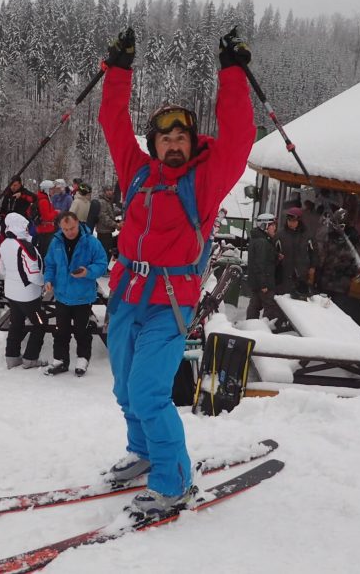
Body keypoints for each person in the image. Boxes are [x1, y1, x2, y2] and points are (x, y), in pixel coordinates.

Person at [98, 26, 256, 519]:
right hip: (127, 293)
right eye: (165, 137)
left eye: (181, 136)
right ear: (154, 143)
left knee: (148, 390)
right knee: (125, 389)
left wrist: (231, 73)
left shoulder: (204, 183)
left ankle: (174, 481)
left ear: (192, 143)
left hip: (170, 300)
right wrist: (119, 71)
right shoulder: (138, 172)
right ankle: (144, 450)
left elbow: (239, 136)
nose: (173, 144)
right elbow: (112, 122)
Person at [43, 212, 108, 376]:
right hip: (62, 296)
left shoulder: (91, 242)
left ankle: (83, 359)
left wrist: (88, 272)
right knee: (61, 331)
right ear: (60, 228)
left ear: (78, 223)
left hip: (83, 297)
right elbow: (50, 264)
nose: (69, 232)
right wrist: (48, 279)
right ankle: (60, 360)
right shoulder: (56, 242)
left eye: (72, 228)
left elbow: (102, 263)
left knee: (82, 331)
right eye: (65, 229)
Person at [0, 213, 47, 369]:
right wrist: (43, 284)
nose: (28, 230)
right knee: (40, 323)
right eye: (26, 227)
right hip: (29, 295)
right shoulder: (25, 246)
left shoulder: (5, 244)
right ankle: (30, 358)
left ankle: (12, 356)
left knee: (16, 323)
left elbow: (1, 268)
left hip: (12, 293)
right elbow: (33, 274)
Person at [246, 213, 290, 328]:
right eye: (272, 225)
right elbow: (260, 264)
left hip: (258, 281)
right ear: (264, 226)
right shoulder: (262, 242)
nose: (275, 227)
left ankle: (250, 326)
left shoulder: (260, 239)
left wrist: (275, 256)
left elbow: (263, 258)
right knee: (271, 307)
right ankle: (267, 330)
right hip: (265, 282)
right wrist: (263, 284)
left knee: (254, 305)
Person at [314, 221, 360, 313]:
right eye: (335, 224)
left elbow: (356, 264)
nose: (337, 227)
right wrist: (317, 279)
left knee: (336, 312)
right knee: (320, 310)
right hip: (325, 282)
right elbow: (321, 260)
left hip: (341, 285)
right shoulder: (329, 237)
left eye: (341, 225)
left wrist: (345, 272)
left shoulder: (353, 241)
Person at [276, 207, 316, 299]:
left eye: (294, 221)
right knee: (284, 300)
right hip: (284, 274)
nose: (291, 223)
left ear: (299, 221)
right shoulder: (280, 235)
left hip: (302, 273)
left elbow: (314, 252)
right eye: (289, 220)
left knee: (300, 301)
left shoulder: (307, 235)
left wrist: (312, 267)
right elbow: (273, 252)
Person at [94, 185, 121, 264]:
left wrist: (117, 219)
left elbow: (109, 214)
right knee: (105, 250)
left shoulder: (108, 202)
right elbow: (104, 217)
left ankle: (104, 267)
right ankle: (103, 268)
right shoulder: (103, 202)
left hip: (107, 230)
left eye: (111, 190)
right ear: (104, 192)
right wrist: (116, 225)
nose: (110, 192)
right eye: (107, 191)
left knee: (107, 249)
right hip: (103, 231)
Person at [34, 180, 59, 257]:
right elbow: (46, 217)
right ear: (46, 190)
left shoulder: (46, 199)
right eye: (51, 189)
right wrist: (56, 212)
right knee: (45, 253)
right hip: (45, 231)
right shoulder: (44, 201)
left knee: (45, 251)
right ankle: (44, 268)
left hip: (46, 230)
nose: (53, 191)